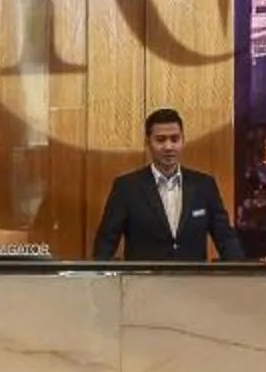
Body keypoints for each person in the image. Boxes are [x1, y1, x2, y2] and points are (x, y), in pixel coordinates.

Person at [92, 107, 246, 261]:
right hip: (144, 282)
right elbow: (106, 242)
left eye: (174, 139)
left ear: (183, 140)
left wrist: (240, 273)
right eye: (160, 140)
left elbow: (225, 237)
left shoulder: (204, 185)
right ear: (148, 142)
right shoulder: (126, 187)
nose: (168, 147)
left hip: (192, 281)